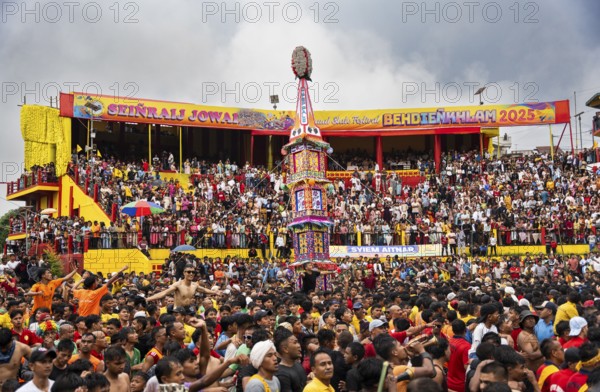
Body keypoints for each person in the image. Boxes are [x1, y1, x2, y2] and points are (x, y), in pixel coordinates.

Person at [146, 264, 218, 307]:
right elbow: (163, 293)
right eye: (189, 272)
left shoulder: (195, 285)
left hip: (188, 310)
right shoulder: (178, 284)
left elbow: (204, 290)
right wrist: (147, 299)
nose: (191, 274)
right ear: (184, 273)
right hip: (178, 312)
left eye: (193, 272)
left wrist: (214, 292)